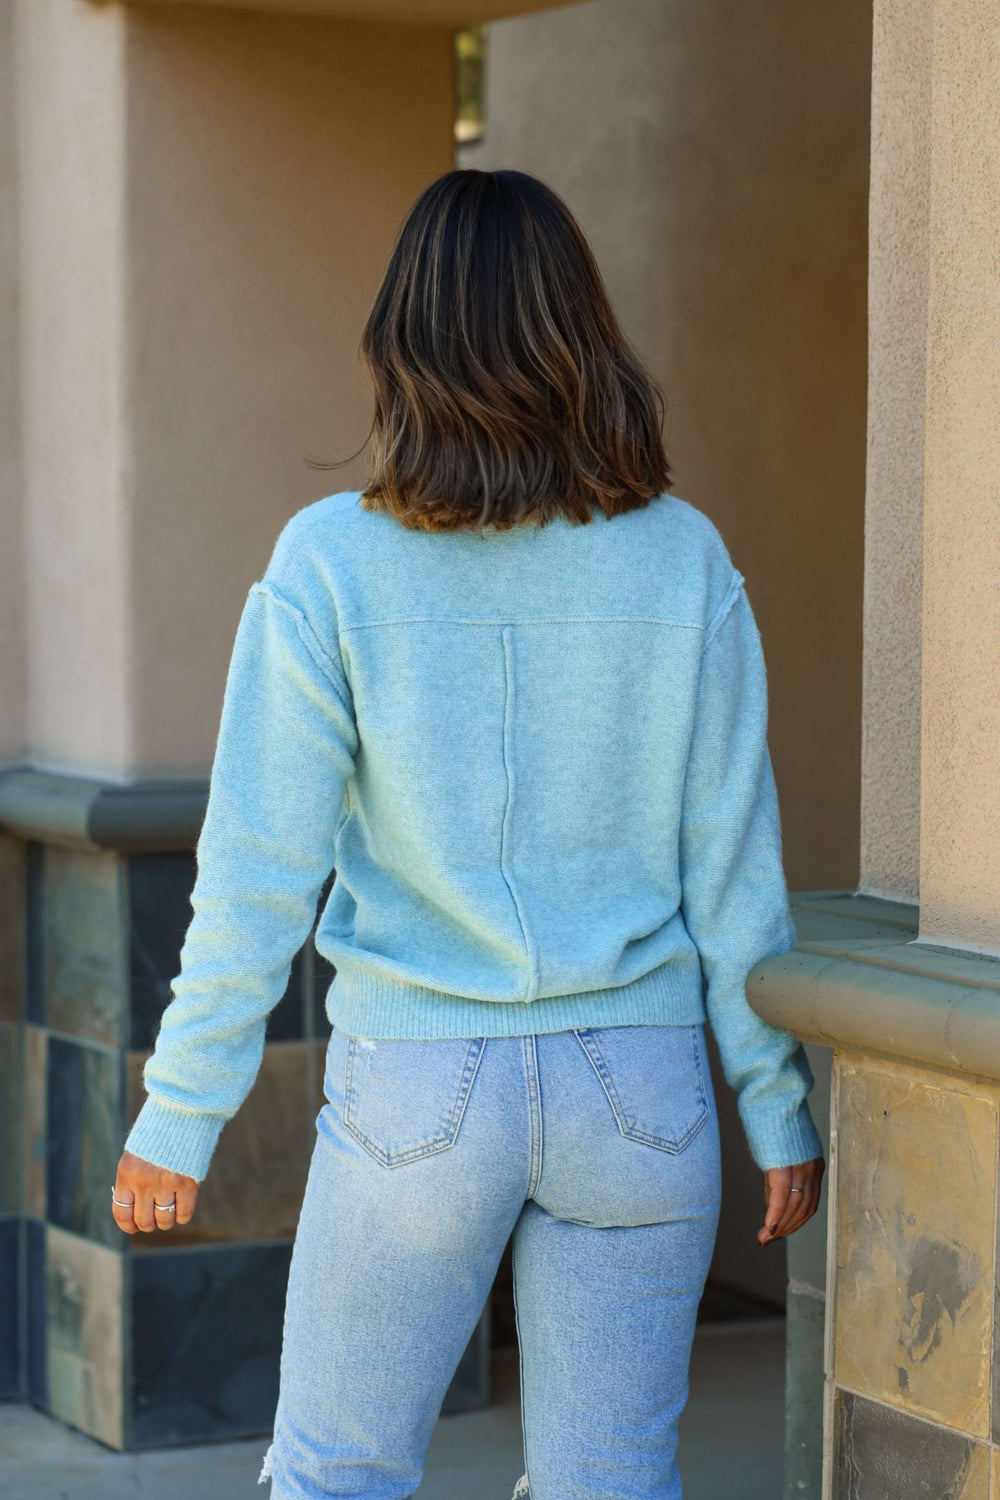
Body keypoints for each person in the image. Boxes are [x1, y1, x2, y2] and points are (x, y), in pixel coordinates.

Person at [112, 168, 824, 1500]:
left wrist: (180, 1114)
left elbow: (256, 874)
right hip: (642, 1091)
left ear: (403, 345)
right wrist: (775, 1107)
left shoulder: (330, 564)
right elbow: (734, 863)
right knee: (613, 1485)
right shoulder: (683, 558)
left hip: (419, 1092)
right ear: (586, 339)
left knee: (338, 1476)